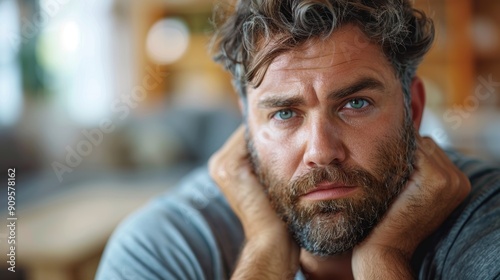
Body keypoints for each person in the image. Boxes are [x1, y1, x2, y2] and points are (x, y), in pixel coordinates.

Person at [96, 0, 500, 279]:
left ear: (413, 110)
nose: (321, 151)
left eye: (355, 104)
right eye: (285, 113)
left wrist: (384, 260)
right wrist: (265, 257)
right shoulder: (163, 246)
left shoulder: (487, 221)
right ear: (248, 124)